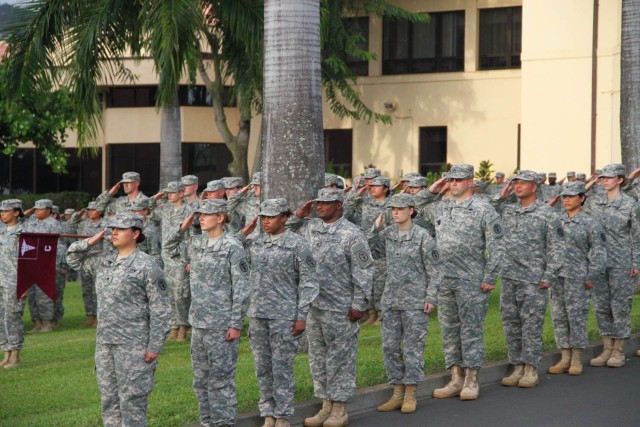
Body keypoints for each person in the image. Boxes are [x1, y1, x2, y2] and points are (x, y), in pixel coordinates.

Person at [66, 213, 171, 427]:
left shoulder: (147, 265)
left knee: (132, 403)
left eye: (121, 229)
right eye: (112, 228)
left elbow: (161, 309)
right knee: (109, 400)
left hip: (134, 345)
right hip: (105, 343)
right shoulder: (104, 261)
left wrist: (154, 346)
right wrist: (90, 241)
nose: (114, 232)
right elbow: (73, 259)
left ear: (135, 233)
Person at [420, 165, 504, 400]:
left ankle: (471, 379)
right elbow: (416, 207)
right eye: (450, 180)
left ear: (470, 181)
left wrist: (490, 277)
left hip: (471, 279)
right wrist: (432, 189)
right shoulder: (441, 205)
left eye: (458, 179)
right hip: (444, 279)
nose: (453, 183)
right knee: (448, 330)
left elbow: (496, 246)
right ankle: (455, 377)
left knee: (470, 329)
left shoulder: (483, 208)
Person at [291, 189, 373, 427]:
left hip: (341, 307)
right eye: (318, 203)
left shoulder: (351, 234)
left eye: (326, 203)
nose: (320, 207)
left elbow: (364, 270)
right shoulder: (310, 227)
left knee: (341, 358)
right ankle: (325, 405)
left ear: (339, 205)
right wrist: (298, 215)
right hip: (315, 306)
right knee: (318, 358)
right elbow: (285, 232)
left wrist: (359, 304)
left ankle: (340, 408)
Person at [166, 199, 250, 427]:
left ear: (220, 218)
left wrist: (235, 323)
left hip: (222, 324)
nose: (200, 218)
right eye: (199, 214)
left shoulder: (232, 246)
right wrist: (181, 228)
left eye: (206, 214)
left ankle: (224, 423)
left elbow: (242, 287)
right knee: (201, 381)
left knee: (221, 381)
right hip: (199, 323)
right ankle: (207, 422)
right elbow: (169, 249)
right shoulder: (196, 244)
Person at [240, 198, 319, 427]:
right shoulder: (255, 243)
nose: (266, 222)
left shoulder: (297, 244)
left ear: (284, 217)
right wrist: (245, 231)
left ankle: (283, 415)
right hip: (258, 315)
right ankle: (268, 412)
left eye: (271, 217)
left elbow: (309, 282)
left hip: (284, 316)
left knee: (282, 368)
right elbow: (231, 247)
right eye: (263, 217)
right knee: (262, 368)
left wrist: (301, 315)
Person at [369, 193, 440, 413]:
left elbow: (436, 269)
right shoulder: (388, 234)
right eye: (393, 209)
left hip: (415, 301)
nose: (395, 212)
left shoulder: (423, 236)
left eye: (400, 208)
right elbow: (369, 250)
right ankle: (397, 391)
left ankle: (410, 393)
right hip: (391, 300)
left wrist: (431, 297)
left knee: (412, 349)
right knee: (389, 347)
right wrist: (374, 228)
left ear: (411, 210)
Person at [494, 170, 565, 388]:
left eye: (523, 183)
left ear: (534, 186)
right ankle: (517, 366)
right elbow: (488, 210)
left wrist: (549, 274)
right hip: (509, 277)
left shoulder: (547, 214)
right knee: (511, 324)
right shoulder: (508, 210)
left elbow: (557, 247)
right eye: (515, 183)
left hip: (534, 279)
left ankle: (531, 368)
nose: (517, 186)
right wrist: (501, 195)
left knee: (531, 325)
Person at [584, 163, 640, 368]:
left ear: (620, 179)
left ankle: (618, 350)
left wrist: (636, 262)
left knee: (620, 306)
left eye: (609, 177)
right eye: (602, 177)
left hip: (621, 261)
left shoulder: (630, 204)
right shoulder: (594, 202)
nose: (604, 180)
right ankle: (606, 347)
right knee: (601, 306)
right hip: (598, 262)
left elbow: (636, 236)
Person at [548, 182, 606, 376]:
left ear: (582, 198)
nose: (566, 200)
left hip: (578, 276)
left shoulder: (590, 223)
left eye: (571, 196)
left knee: (576, 317)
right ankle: (564, 356)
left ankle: (577, 358)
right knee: (559, 317)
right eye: (564, 196)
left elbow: (599, 251)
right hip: (556, 277)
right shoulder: (556, 221)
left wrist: (592, 275)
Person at [349, 176, 392, 325]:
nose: (372, 188)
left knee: (381, 283)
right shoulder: (365, 203)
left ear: (385, 188)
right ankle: (371, 314)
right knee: (369, 282)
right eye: (370, 186)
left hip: (384, 249)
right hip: (367, 247)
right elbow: (349, 204)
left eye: (376, 186)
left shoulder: (391, 205)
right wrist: (358, 192)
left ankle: (381, 314)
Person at [152, 181, 192, 342]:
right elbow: (147, 212)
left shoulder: (189, 210)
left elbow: (194, 235)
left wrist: (190, 259)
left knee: (182, 294)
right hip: (166, 257)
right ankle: (174, 326)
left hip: (181, 257)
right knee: (169, 293)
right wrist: (157, 197)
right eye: (168, 192)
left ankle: (184, 327)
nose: (169, 195)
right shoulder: (165, 209)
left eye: (172, 192)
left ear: (181, 193)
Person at [24, 199, 63, 333]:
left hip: (46, 262)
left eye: (40, 209)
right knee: (32, 295)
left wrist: (54, 265)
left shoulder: (54, 224)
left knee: (44, 294)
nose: (37, 211)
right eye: (36, 209)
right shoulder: (31, 223)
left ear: (48, 210)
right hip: (32, 262)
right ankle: (37, 322)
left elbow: (58, 245)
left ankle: (47, 323)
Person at [69, 202, 110, 327]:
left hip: (100, 260)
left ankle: (99, 317)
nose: (90, 212)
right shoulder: (85, 223)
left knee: (98, 290)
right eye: (89, 210)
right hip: (86, 260)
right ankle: (90, 316)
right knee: (86, 290)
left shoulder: (106, 224)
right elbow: (72, 222)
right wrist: (80, 212)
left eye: (93, 209)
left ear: (100, 211)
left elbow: (109, 245)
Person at [0, 199, 27, 369]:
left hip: (14, 282)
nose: (2, 214)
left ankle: (15, 354)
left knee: (12, 317)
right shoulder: (1, 232)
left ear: (16, 212)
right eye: (1, 211)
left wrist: (24, 284)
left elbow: (29, 262)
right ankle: (6, 352)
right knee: (1, 318)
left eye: (6, 211)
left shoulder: (24, 233)